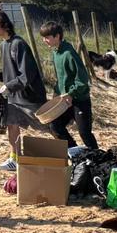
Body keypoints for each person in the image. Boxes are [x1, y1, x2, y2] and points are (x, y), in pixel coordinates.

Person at [0, 9, 47, 171]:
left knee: (49, 127)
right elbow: (11, 71)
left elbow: (27, 74)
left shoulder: (18, 44)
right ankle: (15, 158)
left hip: (30, 96)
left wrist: (8, 86)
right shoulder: (3, 45)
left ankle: (71, 151)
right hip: (14, 96)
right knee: (12, 124)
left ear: (4, 24)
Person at [38, 20, 98, 155]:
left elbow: (83, 80)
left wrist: (71, 93)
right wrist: (56, 96)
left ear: (57, 36)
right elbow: (61, 79)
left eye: (47, 37)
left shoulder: (69, 53)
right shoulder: (55, 52)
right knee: (55, 125)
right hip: (64, 101)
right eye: (43, 37)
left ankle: (98, 158)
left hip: (79, 100)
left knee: (85, 133)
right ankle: (76, 153)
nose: (44, 40)